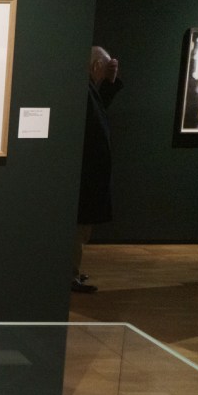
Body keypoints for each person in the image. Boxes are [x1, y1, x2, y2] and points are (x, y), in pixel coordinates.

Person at [73, 46, 122, 293]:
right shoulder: (83, 90)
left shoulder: (88, 89)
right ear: (95, 66)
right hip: (87, 178)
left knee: (81, 231)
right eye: (104, 69)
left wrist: (110, 83)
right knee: (78, 232)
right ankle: (70, 275)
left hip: (89, 177)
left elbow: (99, 108)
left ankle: (72, 272)